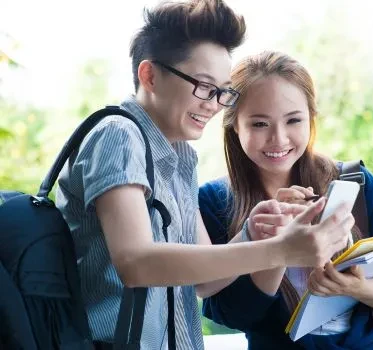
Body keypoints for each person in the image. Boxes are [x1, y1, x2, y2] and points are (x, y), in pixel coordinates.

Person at [55, 2, 354, 349]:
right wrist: (280, 250)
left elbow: (201, 284)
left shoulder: (180, 155)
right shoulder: (118, 135)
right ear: (149, 75)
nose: (213, 104)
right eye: (203, 86)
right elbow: (136, 263)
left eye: (222, 91)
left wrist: (250, 235)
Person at [199, 51, 373, 349]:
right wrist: (279, 246)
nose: (279, 138)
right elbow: (232, 315)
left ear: (311, 119)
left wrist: (359, 287)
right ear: (235, 125)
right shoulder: (214, 200)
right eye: (259, 124)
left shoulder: (356, 183)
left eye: (293, 120)